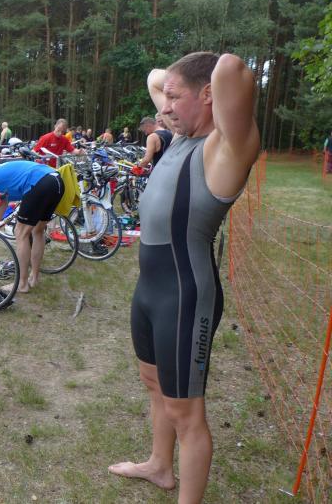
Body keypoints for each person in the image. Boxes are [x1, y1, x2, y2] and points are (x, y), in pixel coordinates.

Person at [108, 52, 260, 503]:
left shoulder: (225, 149)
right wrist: (178, 89)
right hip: (150, 290)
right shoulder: (179, 137)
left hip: (185, 295)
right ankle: (159, 466)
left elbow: (231, 67)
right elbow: (156, 77)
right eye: (166, 100)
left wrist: (203, 82)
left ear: (209, 95)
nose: (164, 107)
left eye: (175, 99)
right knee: (154, 384)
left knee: (187, 414)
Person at [0, 160, 64, 294]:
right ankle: (34, 278)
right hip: (56, 181)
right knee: (37, 231)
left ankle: (22, 284)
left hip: (39, 182)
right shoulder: (1, 183)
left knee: (20, 232)